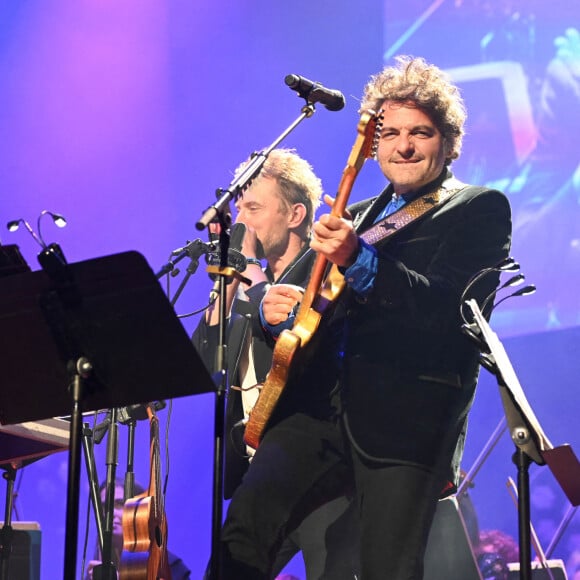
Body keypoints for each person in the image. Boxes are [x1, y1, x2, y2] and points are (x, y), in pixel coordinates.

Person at [217, 55, 512, 580]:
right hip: (317, 413)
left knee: (387, 569)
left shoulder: (478, 208)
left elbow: (447, 312)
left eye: (420, 132)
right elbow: (300, 306)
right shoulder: (363, 212)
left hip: (406, 423)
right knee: (242, 532)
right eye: (391, 132)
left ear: (447, 142)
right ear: (373, 143)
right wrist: (270, 311)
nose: (403, 145)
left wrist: (360, 260)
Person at [192, 148, 359, 579]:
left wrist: (251, 274)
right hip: (260, 468)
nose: (241, 220)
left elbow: (300, 356)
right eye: (238, 208)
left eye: (254, 207)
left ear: (295, 214)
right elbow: (201, 366)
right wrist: (228, 287)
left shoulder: (322, 277)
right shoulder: (245, 288)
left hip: (318, 469)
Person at [85, 478, 191, 579]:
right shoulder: (98, 569)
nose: (111, 513)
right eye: (104, 507)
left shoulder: (168, 566)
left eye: (120, 504)